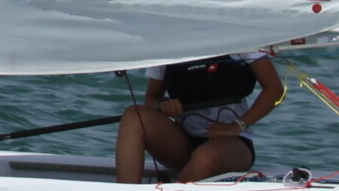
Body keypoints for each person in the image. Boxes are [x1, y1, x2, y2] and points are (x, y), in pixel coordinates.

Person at [115, 50, 284, 183]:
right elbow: (152, 98)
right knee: (133, 115)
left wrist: (236, 126)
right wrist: (162, 105)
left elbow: (274, 89)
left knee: (206, 157)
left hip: (233, 143)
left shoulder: (238, 40)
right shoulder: (167, 46)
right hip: (182, 142)